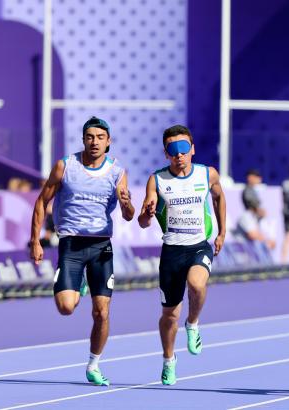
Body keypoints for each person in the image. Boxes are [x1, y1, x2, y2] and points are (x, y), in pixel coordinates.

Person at [29, 116, 135, 386]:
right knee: (66, 307)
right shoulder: (66, 166)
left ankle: (94, 364)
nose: (94, 142)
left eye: (100, 137)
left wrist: (127, 205)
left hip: (101, 247)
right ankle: (80, 286)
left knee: (102, 312)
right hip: (72, 244)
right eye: (90, 137)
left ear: (108, 142)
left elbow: (129, 214)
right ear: (83, 139)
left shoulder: (117, 172)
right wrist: (36, 240)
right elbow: (42, 202)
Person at [138, 125, 226, 386]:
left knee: (197, 284)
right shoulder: (157, 180)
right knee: (169, 316)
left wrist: (222, 233)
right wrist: (148, 213)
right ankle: (168, 360)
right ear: (166, 154)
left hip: (199, 245)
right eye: (173, 150)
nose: (179, 155)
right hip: (172, 251)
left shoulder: (207, 174)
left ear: (192, 149)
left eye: (184, 149)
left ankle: (194, 323)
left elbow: (220, 198)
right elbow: (143, 222)